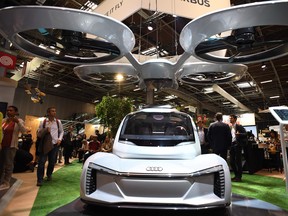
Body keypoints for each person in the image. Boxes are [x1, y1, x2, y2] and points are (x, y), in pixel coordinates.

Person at [0, 105, 27, 190]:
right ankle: (1, 181)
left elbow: (24, 131)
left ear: (15, 112)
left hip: (11, 146)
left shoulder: (19, 120)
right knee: (1, 165)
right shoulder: (4, 120)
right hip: (1, 145)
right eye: (8, 110)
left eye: (11, 110)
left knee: (8, 164)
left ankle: (6, 182)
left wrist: (18, 122)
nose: (8, 112)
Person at [36, 107, 64, 186]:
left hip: (55, 145)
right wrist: (45, 130)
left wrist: (60, 139)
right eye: (52, 111)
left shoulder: (58, 122)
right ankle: (39, 179)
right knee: (41, 162)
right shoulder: (43, 122)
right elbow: (39, 132)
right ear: (48, 112)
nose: (54, 112)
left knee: (52, 162)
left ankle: (49, 175)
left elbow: (61, 131)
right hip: (45, 145)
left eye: (55, 111)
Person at [229, 114, 247, 182]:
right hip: (232, 145)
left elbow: (245, 134)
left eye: (231, 118)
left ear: (235, 119)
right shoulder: (230, 127)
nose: (230, 119)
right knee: (231, 161)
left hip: (238, 145)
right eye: (230, 118)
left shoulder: (239, 126)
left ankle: (239, 177)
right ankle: (236, 175)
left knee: (238, 161)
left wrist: (239, 134)